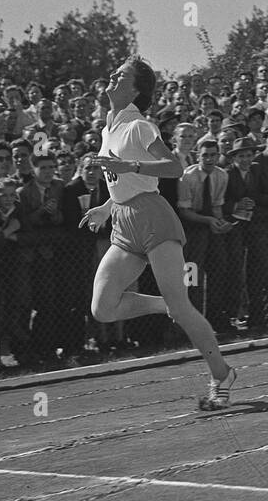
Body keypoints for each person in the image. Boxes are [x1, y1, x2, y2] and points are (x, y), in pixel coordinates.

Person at [82, 57, 237, 410]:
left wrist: (130, 165)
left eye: (120, 74)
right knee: (103, 308)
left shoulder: (139, 126)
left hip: (154, 220)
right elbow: (122, 180)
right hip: (123, 220)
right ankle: (168, 305)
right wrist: (107, 206)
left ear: (135, 89)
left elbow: (174, 167)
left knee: (183, 308)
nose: (112, 76)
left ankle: (221, 374)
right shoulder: (109, 127)